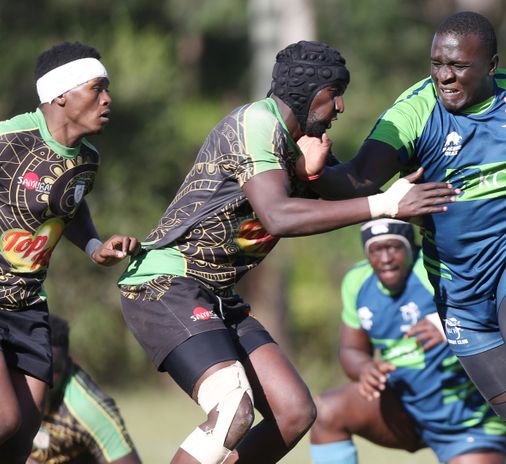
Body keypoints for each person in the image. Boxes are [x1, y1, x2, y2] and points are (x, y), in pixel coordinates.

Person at [309, 11, 506, 463]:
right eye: (436, 63)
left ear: (491, 64)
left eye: (458, 66)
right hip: (459, 290)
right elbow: (360, 180)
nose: (444, 76)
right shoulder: (414, 112)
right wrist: (311, 165)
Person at [116, 40, 458, 464]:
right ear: (312, 92)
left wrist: (411, 140)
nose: (341, 107)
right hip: (167, 283)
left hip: (217, 293)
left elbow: (354, 186)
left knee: (294, 412)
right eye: (335, 94)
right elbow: (278, 215)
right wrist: (387, 204)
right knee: (233, 410)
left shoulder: (295, 148)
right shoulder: (256, 124)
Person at [0, 41, 139, 464]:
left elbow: (72, 207)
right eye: (98, 88)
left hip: (27, 305)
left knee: (23, 431)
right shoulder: (9, 139)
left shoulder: (87, 161)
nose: (107, 98)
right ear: (61, 95)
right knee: (3, 420)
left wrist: (95, 246)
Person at [309, 219, 506, 464]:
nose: (385, 258)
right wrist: (365, 369)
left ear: (410, 247)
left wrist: (450, 324)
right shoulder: (357, 281)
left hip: (467, 420)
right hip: (403, 409)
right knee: (326, 412)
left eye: (393, 247)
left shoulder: (433, 269)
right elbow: (351, 349)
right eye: (376, 250)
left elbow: (495, 310)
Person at [27, 315, 140, 464]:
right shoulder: (9, 391)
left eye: (54, 369)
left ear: (67, 365)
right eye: (36, 366)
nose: (44, 378)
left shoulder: (89, 409)